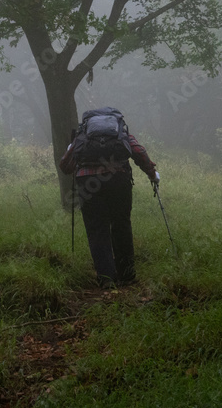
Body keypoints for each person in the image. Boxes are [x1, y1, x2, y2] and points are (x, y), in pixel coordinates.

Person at [59, 107, 159, 289]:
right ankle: (127, 276)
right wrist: (152, 174)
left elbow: (65, 166)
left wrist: (74, 153)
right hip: (118, 180)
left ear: (87, 123)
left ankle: (106, 278)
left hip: (88, 184)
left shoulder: (82, 136)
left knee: (97, 229)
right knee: (121, 224)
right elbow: (138, 151)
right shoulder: (120, 133)